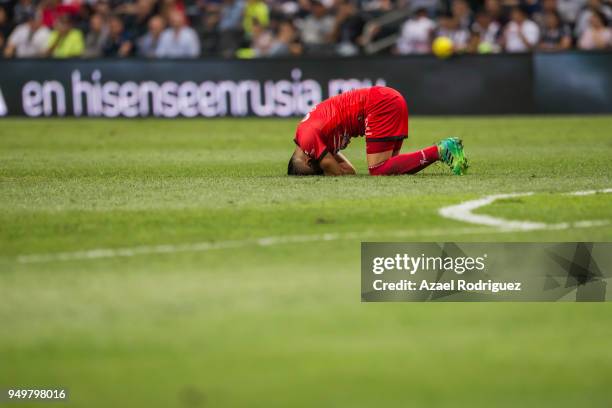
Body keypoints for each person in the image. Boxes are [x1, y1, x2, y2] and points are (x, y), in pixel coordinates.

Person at [288, 86, 468, 176]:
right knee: (390, 169)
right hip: (386, 99)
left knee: (378, 169)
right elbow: (349, 171)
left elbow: (330, 167)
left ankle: (442, 150)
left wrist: (328, 173)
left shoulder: (307, 136)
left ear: (309, 162)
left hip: (379, 105)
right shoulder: (316, 140)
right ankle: (444, 151)